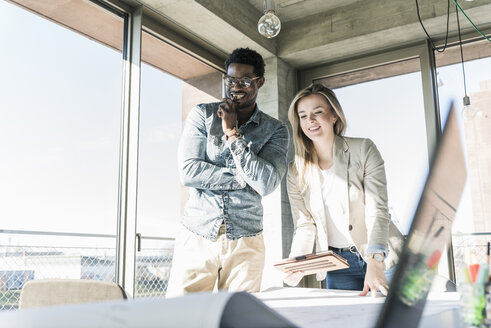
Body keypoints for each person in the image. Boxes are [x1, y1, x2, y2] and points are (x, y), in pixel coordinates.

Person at [166, 48, 289, 297]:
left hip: (247, 240)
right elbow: (189, 171)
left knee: (237, 318)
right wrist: (244, 179)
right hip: (198, 234)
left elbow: (266, 184)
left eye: (244, 81)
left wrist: (232, 134)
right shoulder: (203, 114)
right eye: (231, 80)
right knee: (180, 316)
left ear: (260, 82)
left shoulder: (276, 130)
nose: (236, 87)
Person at [284, 83, 404, 297]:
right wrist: (297, 263)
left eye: (317, 112)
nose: (309, 121)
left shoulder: (364, 149)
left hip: (384, 257)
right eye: (302, 116)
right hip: (338, 265)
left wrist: (375, 261)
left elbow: (377, 210)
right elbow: (304, 224)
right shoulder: (296, 171)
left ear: (334, 116)